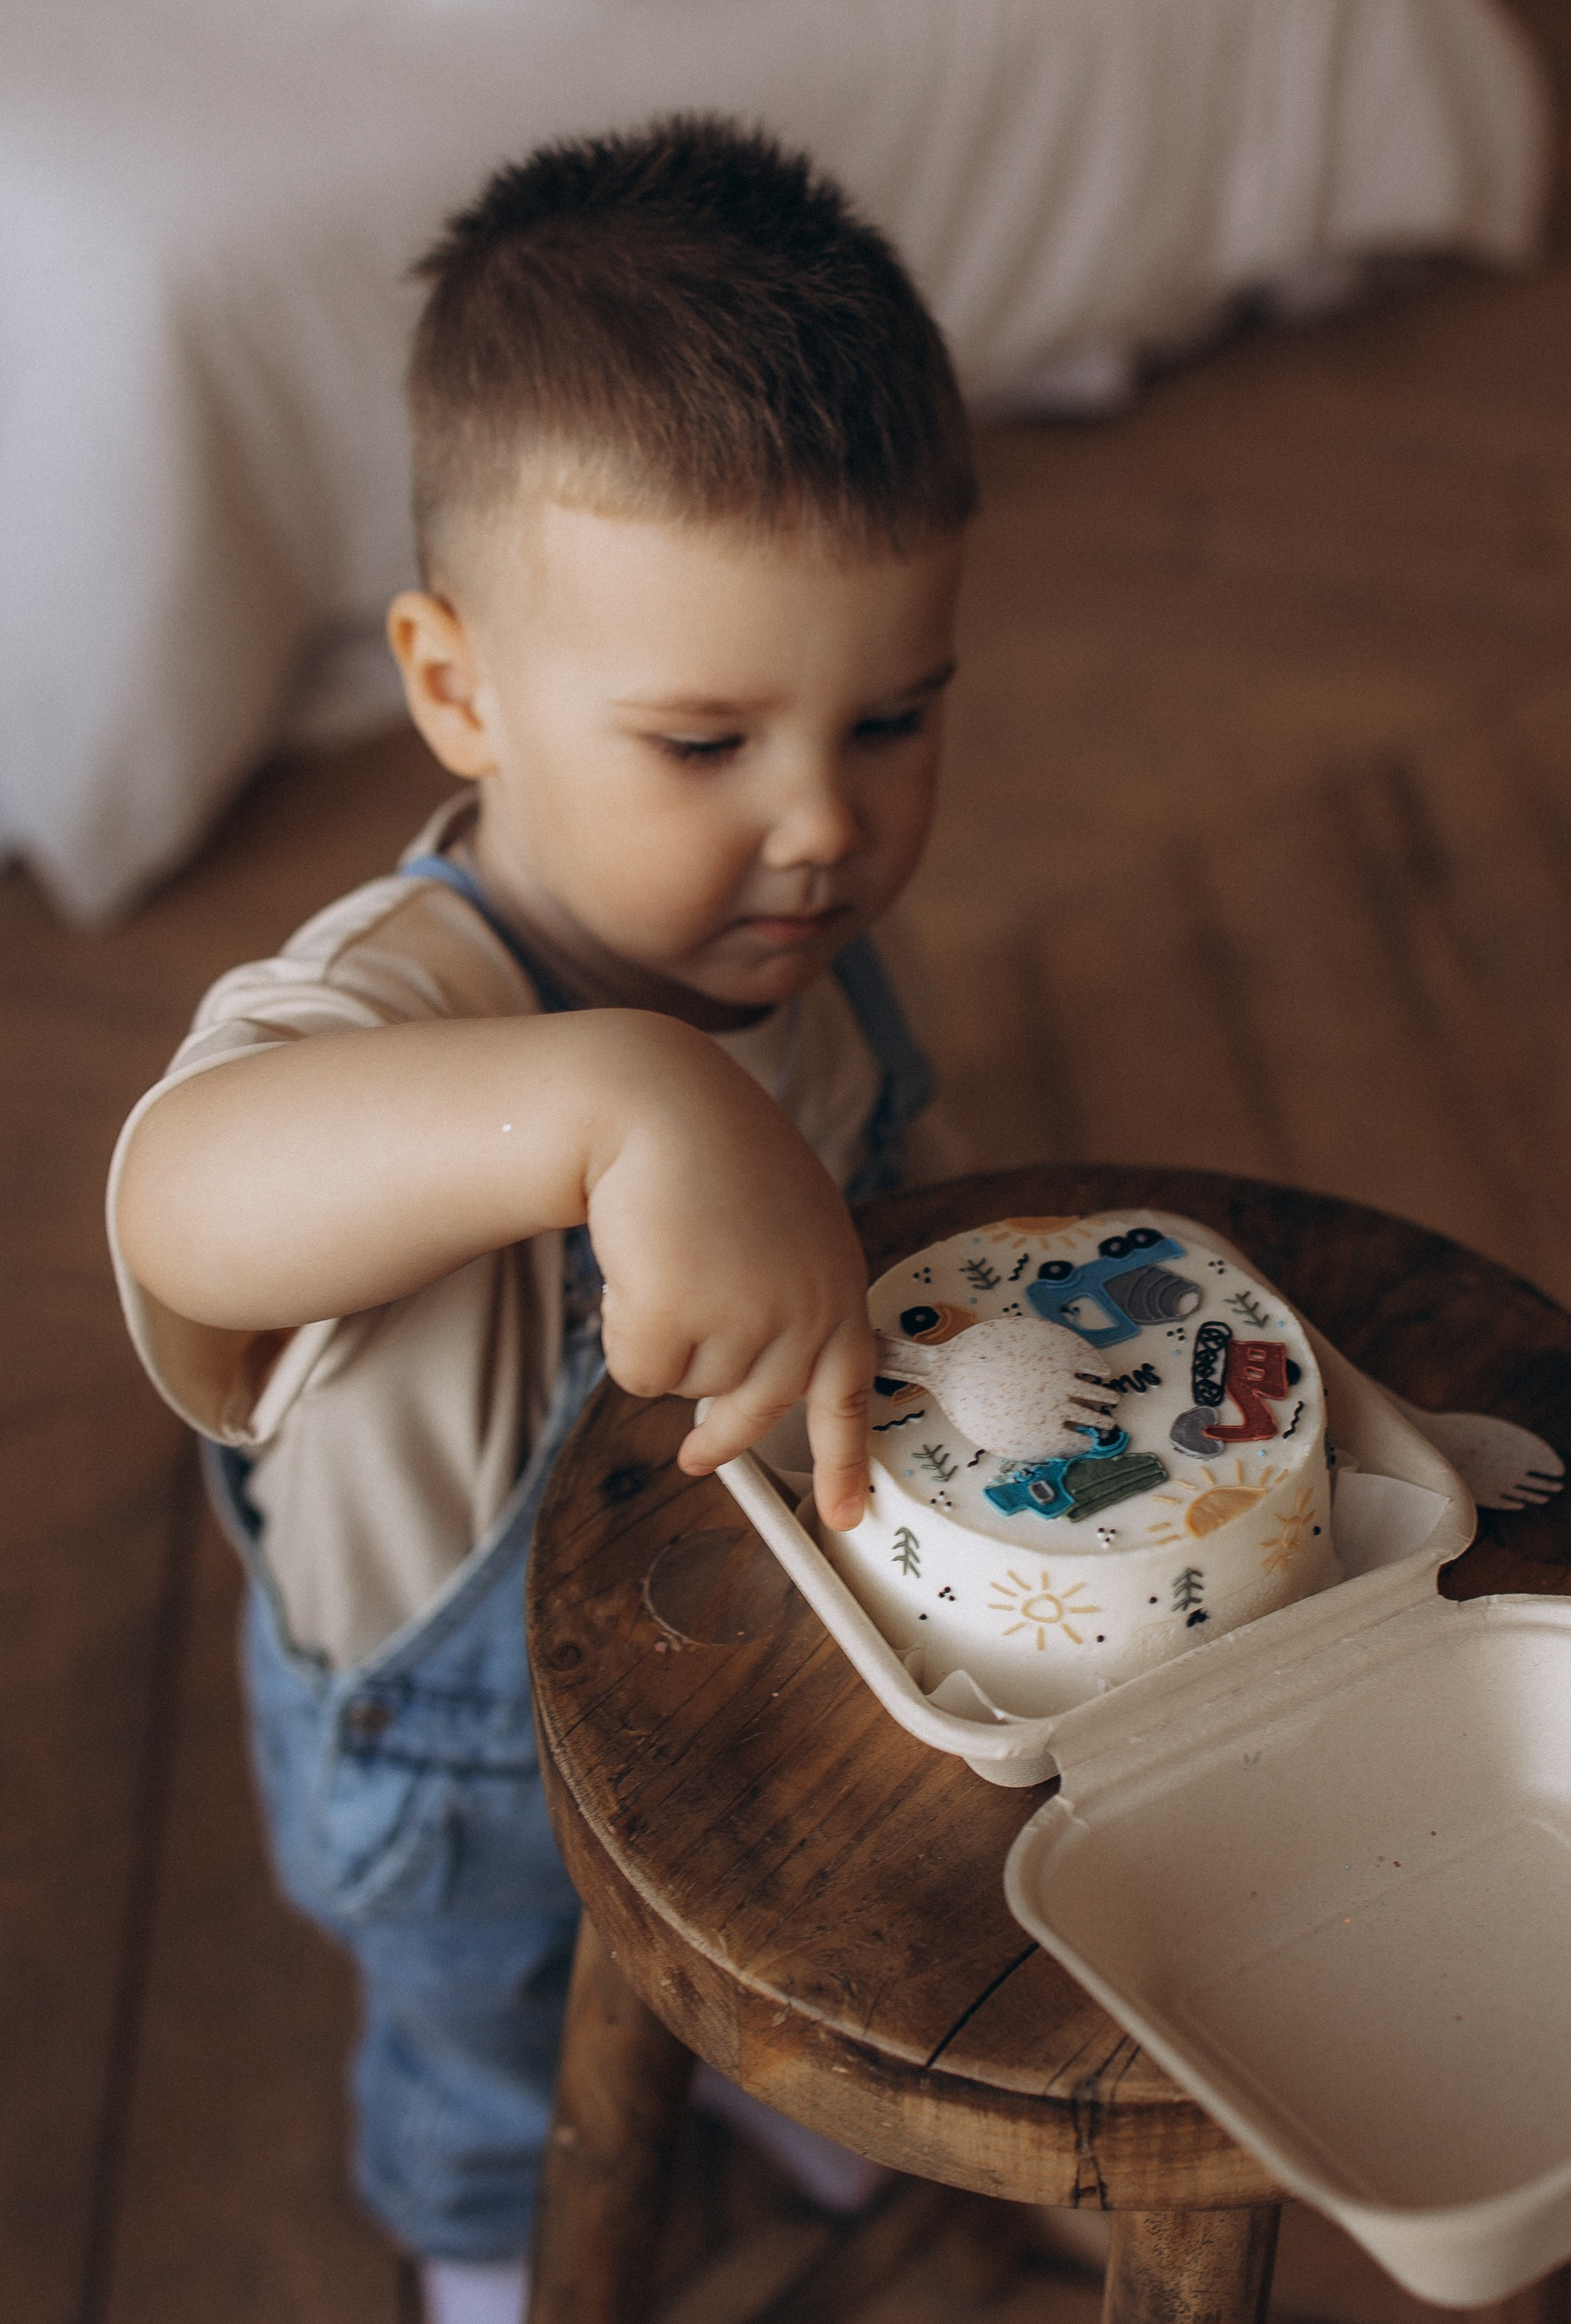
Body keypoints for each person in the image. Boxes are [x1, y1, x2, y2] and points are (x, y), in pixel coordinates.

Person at [108, 117, 974, 2324]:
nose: (817, 827)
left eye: (890, 720)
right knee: (499, 2058)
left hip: (739, 1658)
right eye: (702, 744)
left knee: (732, 1938)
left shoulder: (793, 947)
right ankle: (484, 2244)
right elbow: (179, 1201)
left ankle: (721, 2060)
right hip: (457, 1779)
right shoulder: (409, 996)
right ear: (456, 684)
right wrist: (617, 1089)